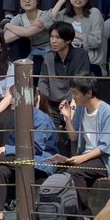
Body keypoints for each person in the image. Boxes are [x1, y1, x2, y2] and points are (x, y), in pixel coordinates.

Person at [58, 76, 110, 197]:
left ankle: (82, 208)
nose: (73, 97)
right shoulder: (80, 109)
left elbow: (104, 148)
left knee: (75, 172)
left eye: (75, 93)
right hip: (87, 157)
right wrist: (67, 118)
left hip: (104, 159)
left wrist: (80, 159)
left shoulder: (108, 112)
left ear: (88, 93)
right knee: (60, 170)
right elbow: (73, 137)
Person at [39, 21, 91, 154]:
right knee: (50, 133)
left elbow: (81, 82)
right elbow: (42, 82)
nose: (53, 41)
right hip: (53, 104)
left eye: (57, 37)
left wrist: (72, 101)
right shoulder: (48, 56)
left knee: (74, 135)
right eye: (51, 37)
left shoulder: (80, 55)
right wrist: (49, 99)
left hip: (74, 102)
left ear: (68, 40)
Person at [51, 0, 105, 76]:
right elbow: (47, 24)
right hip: (67, 61)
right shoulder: (63, 15)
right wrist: (59, 2)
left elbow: (96, 41)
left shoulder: (94, 13)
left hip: (91, 62)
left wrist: (73, 33)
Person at [3, 0, 53, 68]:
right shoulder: (18, 18)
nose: (27, 1)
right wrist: (28, 30)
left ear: (37, 0)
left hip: (46, 50)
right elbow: (7, 38)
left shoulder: (44, 15)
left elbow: (27, 33)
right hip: (27, 53)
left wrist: (8, 25)